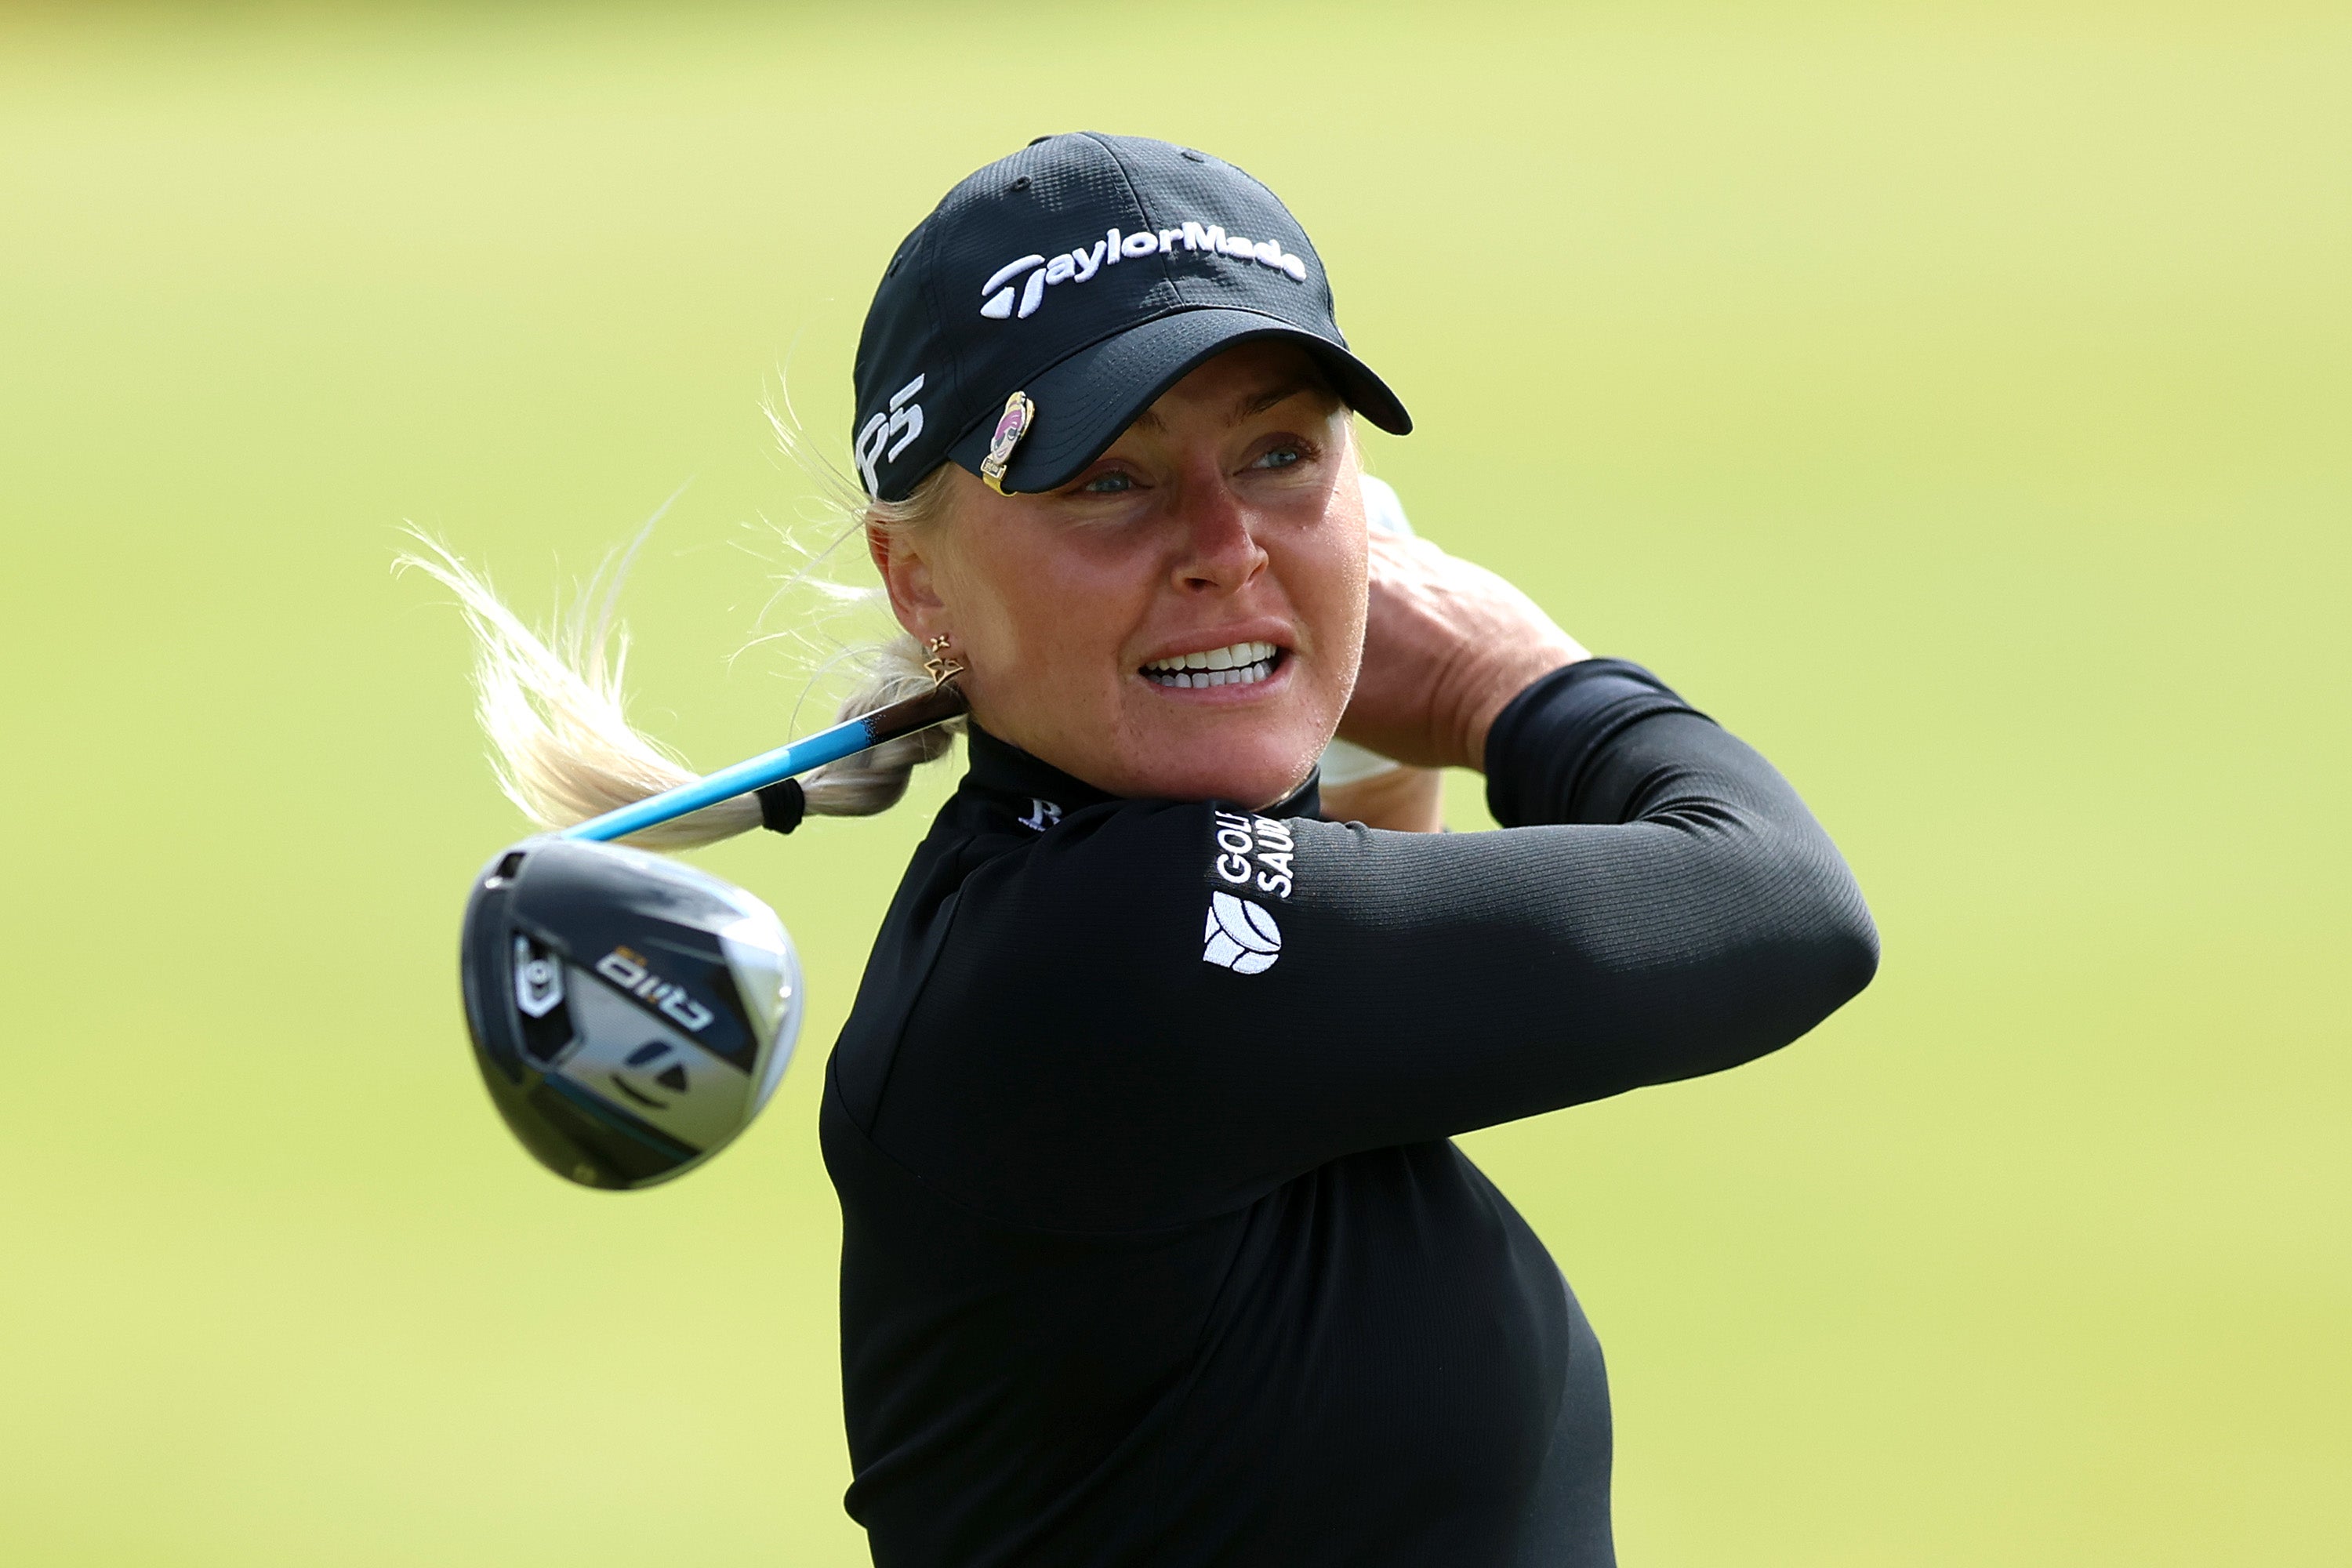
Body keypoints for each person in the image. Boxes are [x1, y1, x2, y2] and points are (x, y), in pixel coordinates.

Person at [432, 132, 1877, 1566]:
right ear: (918, 576)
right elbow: (1783, 905)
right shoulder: (1106, 956)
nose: (1224, 544)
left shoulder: (1090, 903)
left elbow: (1348, 944)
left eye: (1279, 453)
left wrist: (1331, 720)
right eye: (1107, 480)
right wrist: (1510, 685)